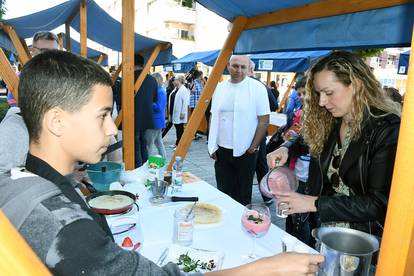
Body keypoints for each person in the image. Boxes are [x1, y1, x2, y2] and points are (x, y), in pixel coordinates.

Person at [0, 50, 324, 276]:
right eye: (102, 116)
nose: (113, 128)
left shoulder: (27, 177)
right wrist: (262, 270)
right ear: (57, 122)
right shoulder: (63, 227)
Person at [267, 51, 401, 242]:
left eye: (329, 93)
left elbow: (379, 204)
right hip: (327, 230)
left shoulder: (386, 129)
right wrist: (287, 147)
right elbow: (308, 140)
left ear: (356, 85)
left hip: (365, 241)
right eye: (319, 94)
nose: (322, 102)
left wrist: (314, 203)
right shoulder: (333, 119)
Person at [208, 55, 270, 206]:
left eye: (243, 67)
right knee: (223, 191)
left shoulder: (258, 88)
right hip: (222, 150)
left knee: (243, 194)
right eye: (235, 66)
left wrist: (253, 147)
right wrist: (211, 144)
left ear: (249, 69)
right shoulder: (220, 88)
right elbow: (213, 116)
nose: (239, 70)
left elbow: (264, 121)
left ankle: (241, 225)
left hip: (246, 151)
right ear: (228, 66)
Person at [247, 60, 277, 204]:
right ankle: (266, 196)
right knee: (259, 165)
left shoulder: (258, 85)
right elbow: (274, 105)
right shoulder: (260, 85)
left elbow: (274, 105)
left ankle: (264, 195)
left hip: (254, 132)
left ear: (250, 69)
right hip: (257, 132)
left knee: (257, 165)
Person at [6, 31, 59, 108]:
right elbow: (13, 102)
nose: (50, 55)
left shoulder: (63, 73)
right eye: (45, 51)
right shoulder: (23, 76)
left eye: (54, 51)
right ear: (33, 50)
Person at [133, 54, 158, 167]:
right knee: (144, 144)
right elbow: (154, 98)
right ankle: (145, 167)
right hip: (147, 117)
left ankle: (138, 168)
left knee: (135, 145)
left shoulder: (129, 78)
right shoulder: (152, 80)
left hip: (133, 117)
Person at [144, 72, 167, 158]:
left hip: (155, 121)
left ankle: (147, 163)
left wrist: (148, 101)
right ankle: (163, 160)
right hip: (157, 121)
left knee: (149, 144)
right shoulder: (160, 91)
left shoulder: (160, 91)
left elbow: (158, 107)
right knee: (158, 142)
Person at [170, 75, 190, 149]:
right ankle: (177, 142)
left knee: (179, 128)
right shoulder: (176, 89)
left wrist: (183, 113)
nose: (174, 81)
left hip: (179, 113)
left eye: (175, 80)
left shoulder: (183, 89)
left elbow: (185, 102)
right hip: (174, 111)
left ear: (179, 80)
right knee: (177, 127)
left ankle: (180, 145)